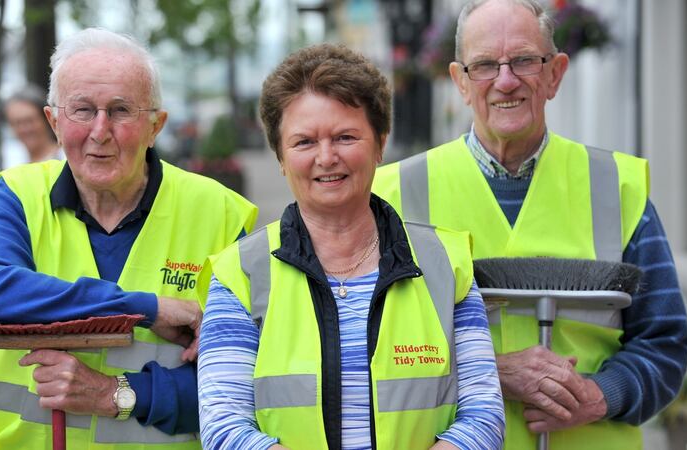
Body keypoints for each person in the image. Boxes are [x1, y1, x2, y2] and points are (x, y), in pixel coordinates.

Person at [372, 1, 687, 449]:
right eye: (484, 65)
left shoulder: (616, 188)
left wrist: (599, 396)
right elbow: (363, 349)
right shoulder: (392, 197)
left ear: (554, 75)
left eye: (524, 60)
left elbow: (665, 341)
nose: (505, 80)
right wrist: (493, 371)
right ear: (460, 82)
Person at [196, 43, 504, 450]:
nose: (327, 157)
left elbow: (483, 416)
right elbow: (224, 428)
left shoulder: (445, 263)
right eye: (304, 142)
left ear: (379, 143)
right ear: (281, 157)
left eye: (345, 136)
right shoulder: (241, 273)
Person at [0, 28, 257, 449]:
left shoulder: (221, 212)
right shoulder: (18, 192)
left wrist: (113, 393)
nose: (100, 131)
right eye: (82, 110)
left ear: (155, 125)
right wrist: (146, 308)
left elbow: (235, 387)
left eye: (121, 111)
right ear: (54, 120)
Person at [3, 84, 63, 163]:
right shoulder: (12, 164)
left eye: (29, 121)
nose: (24, 129)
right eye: (17, 123)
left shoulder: (65, 159)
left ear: (47, 118)